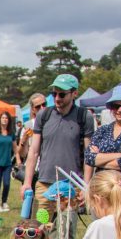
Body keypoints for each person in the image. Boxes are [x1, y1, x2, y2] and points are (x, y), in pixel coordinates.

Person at [23, 74, 94, 217]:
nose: (57, 98)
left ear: (74, 93)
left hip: (70, 186)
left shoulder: (84, 116)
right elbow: (34, 151)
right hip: (44, 185)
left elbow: (89, 155)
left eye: (61, 94)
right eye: (54, 94)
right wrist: (27, 182)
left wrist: (86, 186)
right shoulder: (44, 115)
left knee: (66, 234)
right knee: (40, 231)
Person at [0, 110, 18, 212]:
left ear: (9, 120)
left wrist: (18, 159)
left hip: (7, 163)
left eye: (6, 118)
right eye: (3, 118)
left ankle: (4, 202)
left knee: (6, 183)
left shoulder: (11, 133)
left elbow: (15, 148)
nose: (4, 120)